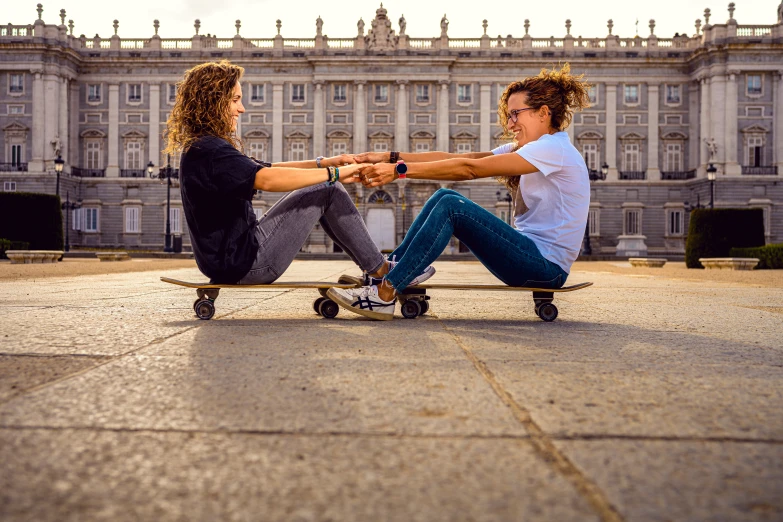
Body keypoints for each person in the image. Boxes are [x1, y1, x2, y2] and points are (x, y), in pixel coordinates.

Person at [328, 64, 591, 320]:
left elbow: (469, 169)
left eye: (516, 114)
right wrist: (390, 156)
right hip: (530, 256)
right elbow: (459, 157)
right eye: (509, 115)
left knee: (451, 206)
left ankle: (383, 294)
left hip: (544, 266)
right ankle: (384, 272)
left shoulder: (553, 149)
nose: (510, 124)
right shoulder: (536, 148)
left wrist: (399, 171)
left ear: (543, 113)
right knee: (443, 197)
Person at [165, 60, 434, 287]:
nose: (242, 108)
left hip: (233, 260)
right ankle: (383, 272)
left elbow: (269, 168)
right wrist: (334, 174)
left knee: (327, 185)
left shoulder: (205, 147)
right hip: (247, 263)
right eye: (235, 100)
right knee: (328, 189)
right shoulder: (210, 150)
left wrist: (327, 163)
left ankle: (376, 268)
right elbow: (267, 179)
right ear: (213, 102)